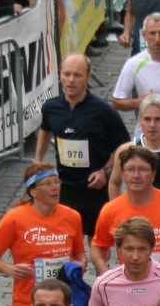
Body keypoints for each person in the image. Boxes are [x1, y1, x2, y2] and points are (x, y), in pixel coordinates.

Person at [36, 55, 132, 239]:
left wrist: (105, 170)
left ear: (88, 77)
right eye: (67, 74)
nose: (71, 80)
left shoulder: (103, 111)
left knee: (98, 241)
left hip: (95, 188)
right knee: (65, 238)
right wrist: (38, 159)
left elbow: (124, 147)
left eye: (78, 75)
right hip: (64, 186)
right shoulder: (51, 107)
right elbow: (45, 128)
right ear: (60, 76)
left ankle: (100, 269)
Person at [0, 166, 87, 306]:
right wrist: (10, 269)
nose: (55, 187)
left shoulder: (72, 216)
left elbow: (79, 253)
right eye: (47, 183)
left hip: (64, 305)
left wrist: (81, 264)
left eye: (56, 181)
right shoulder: (14, 218)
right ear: (32, 191)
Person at [90, 148, 160, 274]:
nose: (136, 175)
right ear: (122, 175)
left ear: (153, 175)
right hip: (131, 283)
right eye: (130, 169)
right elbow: (98, 245)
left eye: (143, 169)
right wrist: (104, 270)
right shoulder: (111, 210)